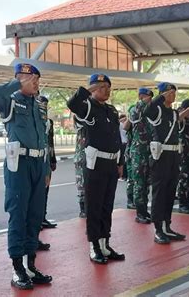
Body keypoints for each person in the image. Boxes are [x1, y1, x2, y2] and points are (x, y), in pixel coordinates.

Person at [0, 63, 52, 290]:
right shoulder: (10, 100)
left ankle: (30, 264)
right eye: (32, 79)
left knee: (35, 216)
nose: (36, 84)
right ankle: (17, 268)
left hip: (38, 164)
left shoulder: (39, 104)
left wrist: (46, 170)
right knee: (18, 215)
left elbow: (43, 137)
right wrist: (17, 84)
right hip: (19, 164)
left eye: (37, 80)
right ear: (20, 78)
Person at [67, 73, 125, 264]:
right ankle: (94, 246)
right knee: (94, 206)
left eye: (108, 87)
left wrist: (120, 162)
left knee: (107, 206)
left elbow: (117, 137)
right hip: (94, 163)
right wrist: (89, 91)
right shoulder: (87, 106)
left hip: (110, 162)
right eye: (101, 87)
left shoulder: (111, 110)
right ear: (92, 89)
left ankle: (104, 244)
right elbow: (72, 104)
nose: (106, 90)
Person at [144, 82, 185, 243]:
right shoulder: (157, 110)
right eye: (169, 92)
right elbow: (148, 110)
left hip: (174, 154)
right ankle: (158, 229)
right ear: (162, 94)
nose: (173, 95)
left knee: (170, 192)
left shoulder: (174, 113)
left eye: (174, 92)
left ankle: (167, 225)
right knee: (159, 193)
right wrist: (160, 98)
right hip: (160, 156)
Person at [128, 88, 153, 223]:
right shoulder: (135, 109)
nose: (149, 99)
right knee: (139, 183)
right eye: (147, 97)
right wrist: (143, 102)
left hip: (149, 151)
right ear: (141, 97)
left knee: (146, 183)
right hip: (138, 151)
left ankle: (144, 211)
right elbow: (135, 117)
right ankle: (140, 213)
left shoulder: (149, 112)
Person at [37, 95, 58, 229]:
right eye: (41, 105)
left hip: (47, 160)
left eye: (45, 105)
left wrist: (53, 159)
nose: (43, 107)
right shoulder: (35, 119)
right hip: (37, 158)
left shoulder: (49, 122)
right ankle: (36, 219)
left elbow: (50, 143)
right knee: (37, 191)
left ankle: (43, 217)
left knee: (45, 189)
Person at [73, 116, 87, 217]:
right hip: (81, 157)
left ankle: (88, 207)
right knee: (81, 184)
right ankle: (83, 209)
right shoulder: (79, 118)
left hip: (91, 156)